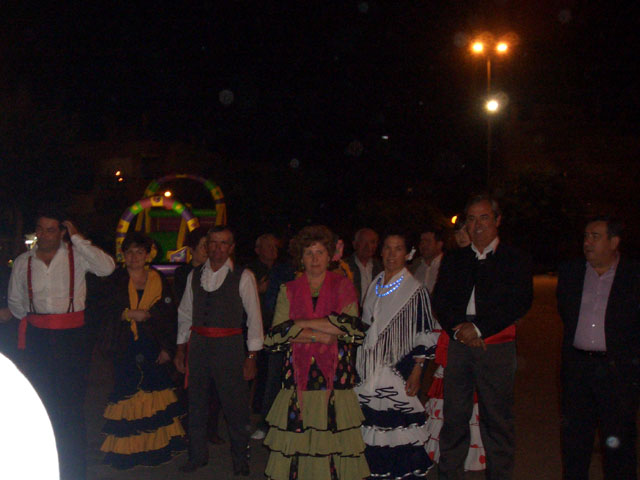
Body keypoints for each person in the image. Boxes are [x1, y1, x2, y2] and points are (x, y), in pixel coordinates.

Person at [8, 208, 115, 480]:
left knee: (70, 404)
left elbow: (107, 267)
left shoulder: (76, 255)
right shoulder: (23, 261)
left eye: (50, 229)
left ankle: (73, 467)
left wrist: (78, 239)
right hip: (37, 338)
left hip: (71, 338)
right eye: (40, 229)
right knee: (40, 401)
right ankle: (42, 461)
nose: (43, 235)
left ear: (63, 231)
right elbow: (17, 304)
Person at [432, 194, 532, 480]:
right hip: (459, 341)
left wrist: (478, 330)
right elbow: (441, 301)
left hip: (495, 344)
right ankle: (450, 474)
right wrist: (459, 328)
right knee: (454, 417)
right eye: (472, 219)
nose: (477, 225)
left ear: (497, 220)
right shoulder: (455, 259)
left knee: (497, 420)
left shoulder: (515, 258)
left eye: (484, 217)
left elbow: (519, 301)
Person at [263, 225, 370, 480]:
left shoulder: (343, 286)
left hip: (335, 377)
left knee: (332, 440)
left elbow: (352, 328)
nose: (314, 259)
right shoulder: (287, 289)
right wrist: (321, 331)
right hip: (298, 376)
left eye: (320, 252)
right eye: (309, 253)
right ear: (300, 257)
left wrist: (300, 324)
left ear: (330, 255)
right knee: (298, 441)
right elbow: (277, 334)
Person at [174, 226, 263, 475]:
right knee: (197, 404)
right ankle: (197, 455)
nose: (217, 248)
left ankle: (240, 459)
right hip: (199, 346)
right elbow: (185, 314)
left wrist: (252, 356)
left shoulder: (243, 276)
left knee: (235, 408)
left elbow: (254, 319)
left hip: (229, 347)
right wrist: (181, 349)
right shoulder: (194, 275)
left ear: (231, 247)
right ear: (206, 246)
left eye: (223, 243)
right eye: (213, 243)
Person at [557, 216, 640, 479]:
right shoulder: (571, 273)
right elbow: (565, 312)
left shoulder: (633, 276)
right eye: (585, 236)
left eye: (595, 236)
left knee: (618, 444)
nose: (587, 242)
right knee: (575, 443)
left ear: (614, 242)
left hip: (616, 372)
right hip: (578, 370)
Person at [355, 231, 439, 479]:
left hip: (398, 368)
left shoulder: (415, 290)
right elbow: (366, 323)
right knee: (372, 424)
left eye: (398, 248)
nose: (392, 254)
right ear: (381, 252)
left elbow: (424, 333)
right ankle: (374, 471)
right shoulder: (376, 282)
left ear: (407, 254)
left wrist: (417, 370)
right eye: (388, 248)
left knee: (396, 425)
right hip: (370, 365)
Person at [99, 232, 185, 469]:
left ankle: (155, 449)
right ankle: (129, 452)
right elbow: (103, 311)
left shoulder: (158, 279)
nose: (134, 256)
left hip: (152, 345)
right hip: (125, 345)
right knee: (127, 395)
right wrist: (128, 314)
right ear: (123, 255)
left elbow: (170, 316)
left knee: (154, 396)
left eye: (139, 252)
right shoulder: (115, 279)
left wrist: (168, 348)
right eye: (129, 252)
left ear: (147, 255)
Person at [173, 226, 225, 445]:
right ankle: (187, 428)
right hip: (192, 335)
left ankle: (211, 428)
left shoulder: (218, 272)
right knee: (189, 386)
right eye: (204, 246)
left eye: (211, 245)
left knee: (215, 385)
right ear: (192, 249)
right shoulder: (184, 273)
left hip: (214, 337)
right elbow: (182, 309)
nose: (208, 250)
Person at [346, 227, 383, 304]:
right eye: (363, 242)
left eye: (372, 242)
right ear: (355, 244)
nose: (368, 246)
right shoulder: (344, 267)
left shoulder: (381, 268)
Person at [410, 225, 445, 293]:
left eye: (428, 241)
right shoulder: (414, 266)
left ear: (439, 244)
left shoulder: (447, 265)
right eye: (422, 241)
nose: (424, 245)